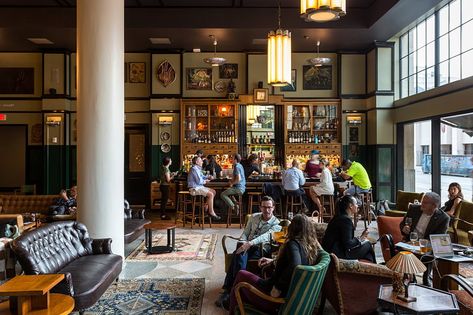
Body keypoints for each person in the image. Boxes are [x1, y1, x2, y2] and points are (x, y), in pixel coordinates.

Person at [228, 214, 320, 313]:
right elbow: (296, 262)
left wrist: (277, 287)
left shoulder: (292, 244)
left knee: (241, 274)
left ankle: (232, 307)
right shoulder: (310, 246)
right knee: (247, 278)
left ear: (292, 227)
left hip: (273, 298)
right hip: (287, 294)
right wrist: (273, 261)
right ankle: (235, 303)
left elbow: (295, 265)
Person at [215, 196, 281, 309]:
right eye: (264, 207)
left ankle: (228, 290)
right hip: (246, 245)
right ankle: (234, 291)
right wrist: (243, 241)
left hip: (260, 249)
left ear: (273, 208)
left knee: (238, 254)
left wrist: (249, 244)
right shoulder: (254, 217)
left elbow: (265, 237)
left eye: (269, 207)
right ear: (260, 207)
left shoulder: (276, 224)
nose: (266, 210)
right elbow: (245, 232)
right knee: (240, 250)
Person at [399, 192, 449, 285]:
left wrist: (423, 244)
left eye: (425, 202)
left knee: (427, 253)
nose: (422, 204)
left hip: (427, 244)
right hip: (410, 241)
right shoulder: (414, 209)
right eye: (422, 201)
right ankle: (410, 277)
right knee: (401, 249)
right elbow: (403, 223)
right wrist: (404, 228)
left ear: (434, 205)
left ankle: (426, 278)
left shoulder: (443, 218)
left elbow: (438, 238)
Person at [322, 195, 376, 262]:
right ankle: (375, 268)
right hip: (337, 254)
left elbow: (345, 240)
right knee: (368, 244)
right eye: (356, 204)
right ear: (350, 206)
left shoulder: (338, 217)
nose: (357, 206)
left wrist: (360, 238)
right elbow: (348, 244)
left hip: (332, 251)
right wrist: (361, 238)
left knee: (368, 253)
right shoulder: (345, 220)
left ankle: (370, 267)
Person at [187, 156, 221, 220]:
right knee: (210, 194)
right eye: (201, 161)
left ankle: (205, 206)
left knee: (213, 191)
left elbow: (202, 176)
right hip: (194, 188)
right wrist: (205, 181)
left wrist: (208, 177)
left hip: (199, 187)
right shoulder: (194, 169)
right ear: (197, 162)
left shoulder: (197, 169)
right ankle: (211, 212)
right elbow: (199, 181)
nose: (202, 162)